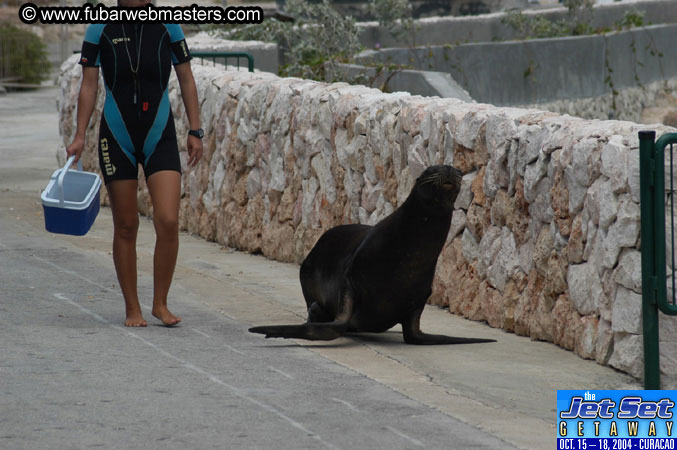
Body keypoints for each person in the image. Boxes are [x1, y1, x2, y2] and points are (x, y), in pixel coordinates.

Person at [66, 0, 203, 327]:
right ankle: (133, 308)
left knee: (168, 220)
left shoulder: (168, 24)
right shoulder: (101, 26)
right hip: (117, 135)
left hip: (160, 134)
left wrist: (196, 129)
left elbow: (186, 77)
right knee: (126, 225)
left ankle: (160, 303)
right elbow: (89, 84)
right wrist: (80, 134)